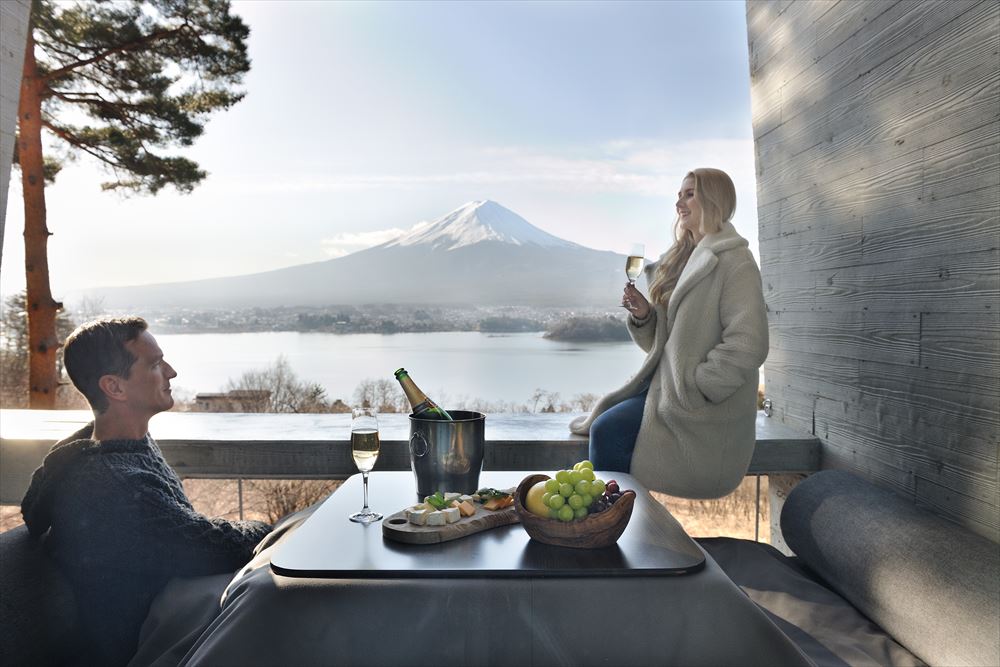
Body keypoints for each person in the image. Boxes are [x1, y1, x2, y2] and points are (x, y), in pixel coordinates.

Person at [20, 316, 272, 666]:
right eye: (155, 364)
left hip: (171, 614)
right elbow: (214, 546)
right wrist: (274, 530)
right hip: (144, 646)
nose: (171, 372)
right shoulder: (113, 482)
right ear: (115, 388)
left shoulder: (123, 446)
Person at [570, 168, 768, 499]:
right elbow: (666, 345)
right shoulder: (682, 258)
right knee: (606, 425)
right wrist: (646, 315)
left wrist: (697, 386)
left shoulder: (735, 261)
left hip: (698, 405)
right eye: (679, 195)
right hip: (667, 390)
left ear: (714, 199)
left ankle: (614, 523)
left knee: (608, 429)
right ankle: (617, 522)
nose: (679, 203)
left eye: (689, 194)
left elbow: (748, 342)